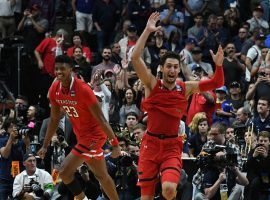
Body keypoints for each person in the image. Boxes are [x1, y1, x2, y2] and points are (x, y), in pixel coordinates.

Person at [131, 12, 224, 200]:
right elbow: (134, 58)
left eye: (175, 67)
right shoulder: (151, 84)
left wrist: (219, 66)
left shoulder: (186, 88)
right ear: (162, 68)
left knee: (169, 190)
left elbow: (216, 82)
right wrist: (147, 31)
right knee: (146, 197)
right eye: (169, 66)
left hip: (172, 146)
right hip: (150, 145)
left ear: (179, 69)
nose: (172, 70)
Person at [38, 55, 121, 200]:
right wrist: (45, 145)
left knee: (63, 172)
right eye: (56, 68)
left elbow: (101, 119)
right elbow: (54, 119)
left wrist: (115, 144)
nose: (58, 71)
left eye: (62, 68)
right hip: (82, 136)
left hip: (95, 135)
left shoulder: (83, 89)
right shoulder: (54, 89)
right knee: (102, 176)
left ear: (71, 69)